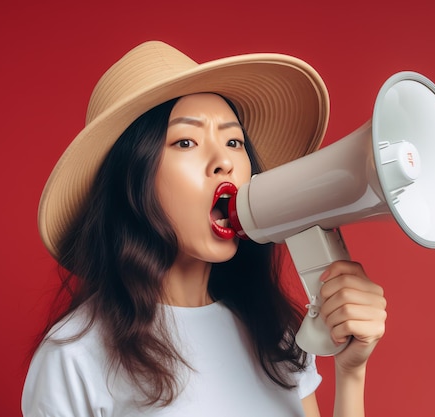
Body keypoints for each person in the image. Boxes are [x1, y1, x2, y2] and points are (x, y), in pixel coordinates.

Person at [23, 40, 387, 417]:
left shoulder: (275, 334)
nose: (224, 162)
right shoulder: (74, 357)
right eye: (185, 141)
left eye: (233, 141)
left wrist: (351, 371)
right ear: (132, 180)